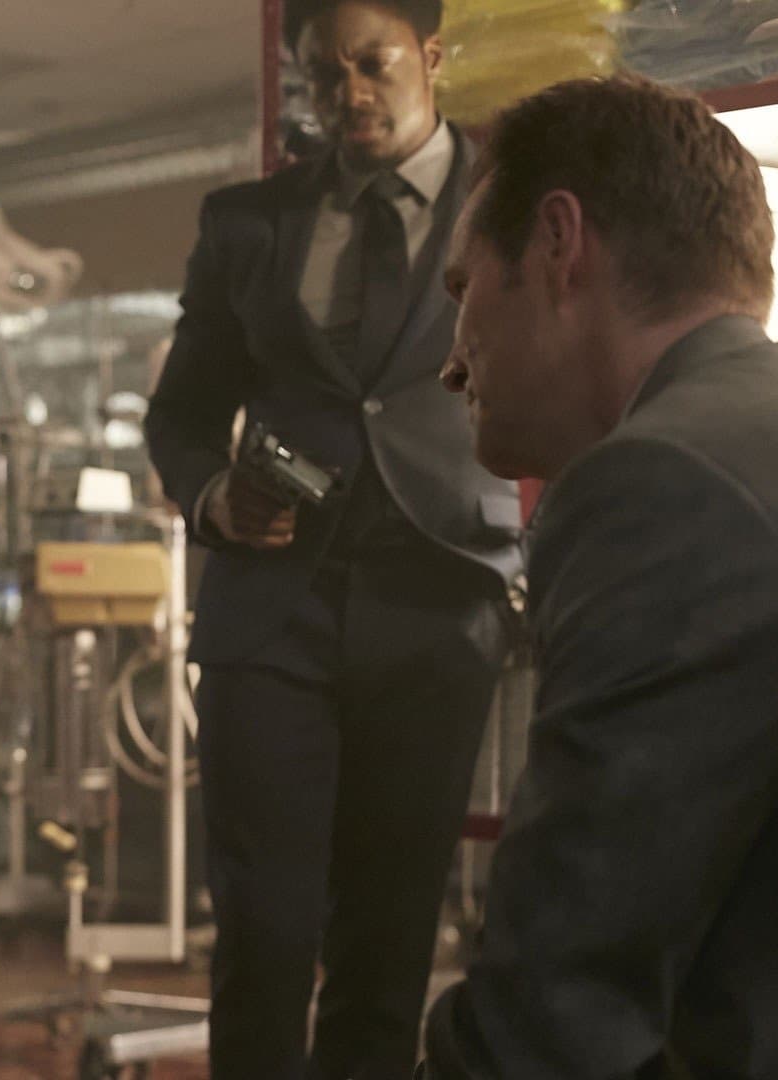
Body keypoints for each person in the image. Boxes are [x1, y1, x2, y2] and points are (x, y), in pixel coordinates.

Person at [144, 1, 523, 1076]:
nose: (348, 93)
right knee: (262, 931)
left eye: (372, 63)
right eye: (323, 74)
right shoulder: (249, 223)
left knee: (391, 935)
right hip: (274, 605)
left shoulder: (512, 196)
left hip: (440, 591)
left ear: (431, 58)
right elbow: (181, 415)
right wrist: (212, 495)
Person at [421, 75, 778, 1079]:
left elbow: (554, 1016)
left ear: (557, 244)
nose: (451, 364)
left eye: (462, 289)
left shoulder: (662, 482)